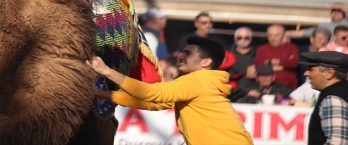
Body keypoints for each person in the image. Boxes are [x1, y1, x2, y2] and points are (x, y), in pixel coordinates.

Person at [88, 37, 253, 145]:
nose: (180, 56)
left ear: (206, 62)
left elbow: (152, 93)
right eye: (182, 51)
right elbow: (151, 103)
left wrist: (106, 71)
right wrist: (102, 93)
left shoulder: (197, 81)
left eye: (188, 53)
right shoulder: (203, 83)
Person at [299, 51, 348, 145]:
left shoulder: (333, 98)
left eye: (311, 69)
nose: (306, 73)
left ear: (329, 73)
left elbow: (338, 142)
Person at [254, 24, 299, 89]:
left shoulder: (292, 48)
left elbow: (293, 63)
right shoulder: (261, 49)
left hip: (289, 87)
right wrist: (283, 67)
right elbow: (259, 66)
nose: (273, 38)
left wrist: (273, 62)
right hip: (268, 88)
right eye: (270, 35)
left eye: (276, 35)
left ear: (283, 36)